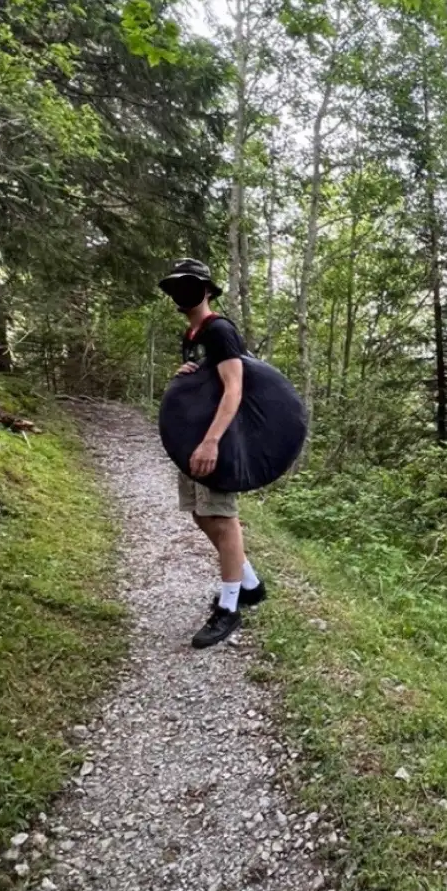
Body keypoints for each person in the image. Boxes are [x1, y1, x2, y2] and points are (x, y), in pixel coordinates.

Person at [158, 259, 266, 650]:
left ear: (206, 289)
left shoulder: (220, 330)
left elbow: (234, 389)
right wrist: (187, 372)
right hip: (194, 437)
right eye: (175, 287)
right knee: (202, 514)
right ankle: (250, 584)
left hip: (216, 440)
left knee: (223, 517)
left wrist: (211, 441)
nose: (181, 293)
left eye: (189, 285)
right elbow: (210, 381)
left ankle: (230, 607)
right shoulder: (193, 333)